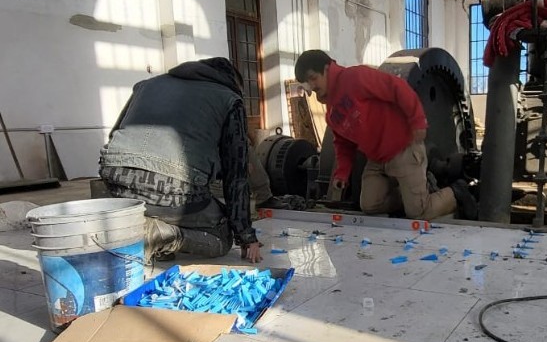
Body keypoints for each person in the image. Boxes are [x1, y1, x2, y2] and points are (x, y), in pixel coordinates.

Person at [99, 57, 262, 263]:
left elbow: (115, 134)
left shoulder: (146, 85)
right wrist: (246, 235)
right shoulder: (229, 98)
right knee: (222, 235)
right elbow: (235, 177)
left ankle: (143, 224)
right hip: (173, 187)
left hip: (117, 182)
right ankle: (164, 235)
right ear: (233, 82)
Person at [294, 50, 478, 221]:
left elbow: (397, 88)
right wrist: (342, 173)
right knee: (369, 204)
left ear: (327, 69)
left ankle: (457, 192)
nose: (312, 86)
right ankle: (413, 194)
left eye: (313, 78)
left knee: (419, 213)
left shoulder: (355, 77)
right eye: (308, 82)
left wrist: (417, 121)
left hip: (403, 148)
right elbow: (343, 144)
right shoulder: (331, 112)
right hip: (377, 160)